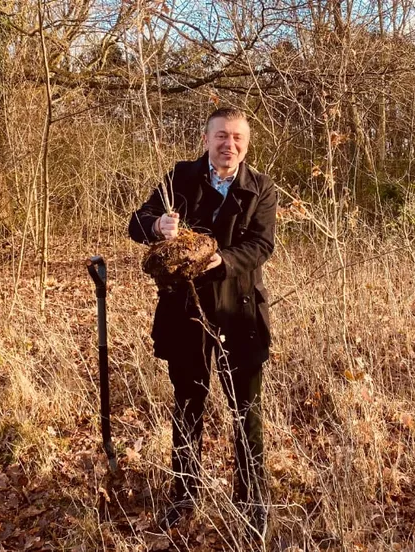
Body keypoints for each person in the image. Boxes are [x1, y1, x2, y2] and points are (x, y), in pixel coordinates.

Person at [128, 108, 276, 539]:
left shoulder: (260, 188)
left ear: (246, 144)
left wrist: (220, 262)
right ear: (207, 138)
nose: (228, 144)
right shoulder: (180, 178)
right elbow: (135, 223)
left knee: (245, 410)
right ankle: (184, 494)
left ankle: (251, 503)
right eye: (221, 136)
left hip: (239, 312)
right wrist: (157, 224)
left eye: (237, 137)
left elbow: (261, 245)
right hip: (185, 313)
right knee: (188, 405)